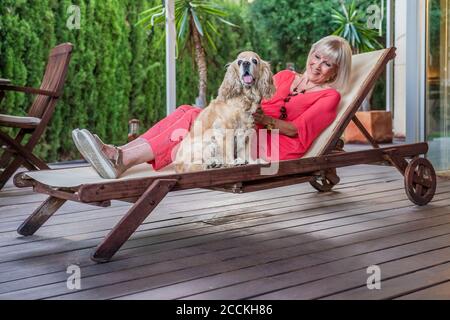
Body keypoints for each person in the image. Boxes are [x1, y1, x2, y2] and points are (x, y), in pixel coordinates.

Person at [72, 35, 352, 179]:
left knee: (195, 120)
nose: (317, 65)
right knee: (188, 111)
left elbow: (297, 131)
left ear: (334, 71)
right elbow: (250, 98)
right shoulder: (284, 77)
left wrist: (263, 119)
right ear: (311, 53)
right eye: (317, 56)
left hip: (275, 146)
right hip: (248, 129)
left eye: (327, 63)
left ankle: (121, 160)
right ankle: (119, 154)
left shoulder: (329, 97)